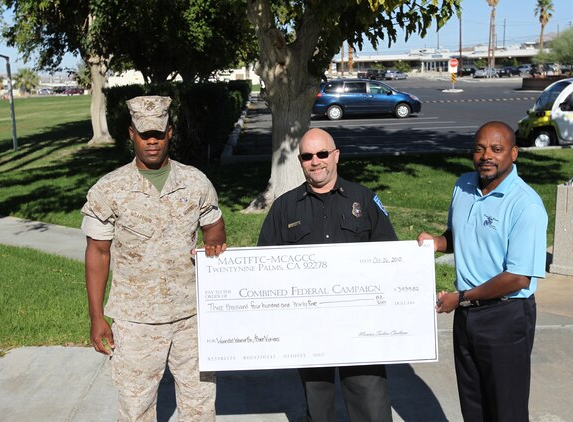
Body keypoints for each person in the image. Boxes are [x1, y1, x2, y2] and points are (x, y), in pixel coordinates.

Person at [81, 95, 227, 421]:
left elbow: (214, 224)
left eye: (158, 134)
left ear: (170, 133)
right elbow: (97, 253)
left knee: (200, 406)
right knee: (136, 409)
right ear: (131, 134)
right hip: (136, 322)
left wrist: (215, 244)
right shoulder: (109, 190)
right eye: (144, 134)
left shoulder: (195, 182)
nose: (151, 141)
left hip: (191, 316)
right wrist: (96, 317)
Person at [258, 128, 397, 422]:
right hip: (309, 328)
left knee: (370, 404)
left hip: (360, 326)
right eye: (307, 156)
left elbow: (393, 260)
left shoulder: (365, 200)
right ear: (300, 161)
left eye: (322, 154)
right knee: (318, 408)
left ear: (336, 156)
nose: (315, 161)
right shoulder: (284, 207)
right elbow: (264, 266)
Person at [417, 121, 548, 422]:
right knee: (473, 406)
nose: (486, 155)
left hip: (506, 316)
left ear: (513, 154)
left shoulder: (525, 205)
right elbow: (459, 235)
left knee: (506, 411)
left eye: (497, 149)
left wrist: (460, 298)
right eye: (480, 148)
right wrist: (437, 242)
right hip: (466, 317)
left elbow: (518, 277)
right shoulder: (463, 185)